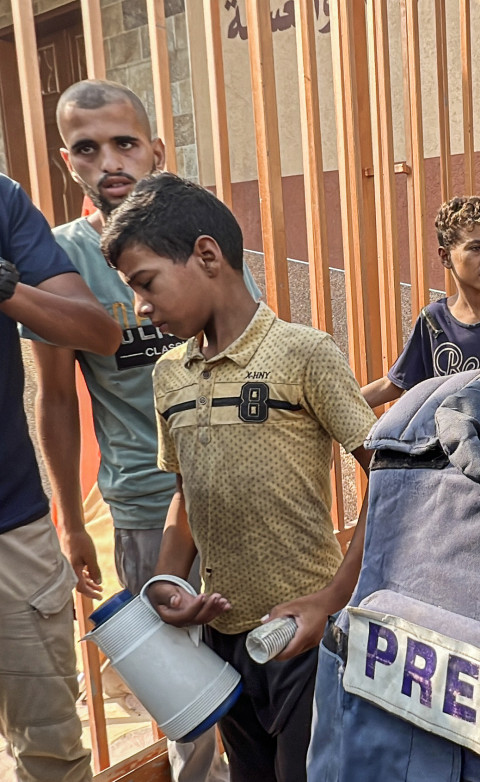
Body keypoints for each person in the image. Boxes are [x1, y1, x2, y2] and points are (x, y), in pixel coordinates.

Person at [101, 172, 378, 782]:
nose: (140, 307)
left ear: (207, 255)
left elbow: (386, 478)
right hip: (223, 641)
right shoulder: (170, 374)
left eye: (146, 283)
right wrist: (167, 579)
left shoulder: (304, 353)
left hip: (303, 638)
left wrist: (331, 601)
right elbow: (183, 494)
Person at [24, 79, 256, 782]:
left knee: (260, 662)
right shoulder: (58, 260)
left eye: (125, 143)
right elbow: (58, 401)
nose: (110, 162)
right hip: (145, 507)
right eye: (88, 149)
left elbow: (256, 352)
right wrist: (68, 519)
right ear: (69, 163)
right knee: (181, 691)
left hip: (238, 494)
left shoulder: (201, 232)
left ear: (157, 149)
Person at [0, 172, 121, 781]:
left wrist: (6, 288)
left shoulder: (1, 200)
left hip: (11, 529)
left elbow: (99, 330)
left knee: (50, 751)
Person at [361, 196, 480, 407]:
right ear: (445, 257)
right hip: (450, 438)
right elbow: (395, 383)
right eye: (476, 248)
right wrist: (328, 408)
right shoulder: (434, 322)